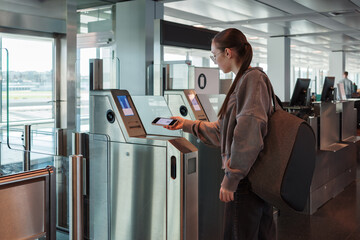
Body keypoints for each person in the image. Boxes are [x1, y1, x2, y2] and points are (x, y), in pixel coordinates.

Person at [164, 28, 276, 239]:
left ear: (228, 52)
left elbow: (248, 134)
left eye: (214, 55)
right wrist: (186, 124)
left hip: (248, 183)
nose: (214, 60)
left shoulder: (252, 80)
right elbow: (222, 132)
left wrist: (231, 178)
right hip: (248, 179)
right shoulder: (242, 81)